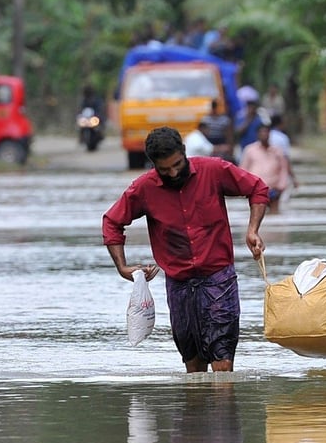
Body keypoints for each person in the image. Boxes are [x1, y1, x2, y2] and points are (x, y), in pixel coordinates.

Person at [102, 127, 269, 373]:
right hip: (179, 285)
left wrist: (253, 229)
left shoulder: (213, 170)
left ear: (184, 152)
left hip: (218, 280)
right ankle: (195, 409)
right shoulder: (144, 188)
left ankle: (223, 407)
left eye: (177, 165)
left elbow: (257, 189)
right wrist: (122, 267)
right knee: (192, 363)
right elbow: (112, 222)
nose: (173, 172)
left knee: (222, 358)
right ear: (154, 165)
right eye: (165, 169)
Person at [240, 124, 296, 214]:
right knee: (256, 214)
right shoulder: (250, 150)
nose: (264, 134)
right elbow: (243, 170)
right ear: (257, 134)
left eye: (266, 132)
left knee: (275, 214)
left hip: (274, 188)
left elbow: (284, 169)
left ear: (270, 134)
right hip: (256, 190)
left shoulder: (277, 151)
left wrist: (281, 186)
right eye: (261, 132)